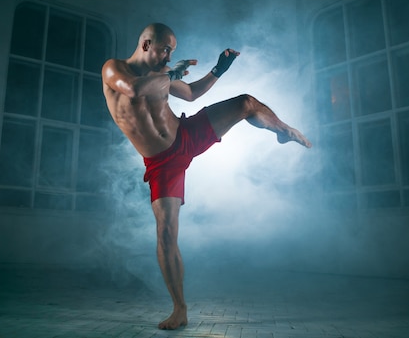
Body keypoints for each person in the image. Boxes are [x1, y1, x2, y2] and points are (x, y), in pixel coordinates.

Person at [101, 23, 311, 330]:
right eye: (165, 49)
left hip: (185, 135)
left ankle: (283, 131)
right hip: (162, 164)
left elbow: (191, 94)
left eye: (172, 51)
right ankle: (180, 309)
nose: (169, 56)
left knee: (245, 103)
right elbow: (133, 89)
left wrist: (218, 68)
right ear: (146, 45)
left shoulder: (162, 76)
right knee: (166, 233)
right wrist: (169, 75)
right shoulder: (114, 69)